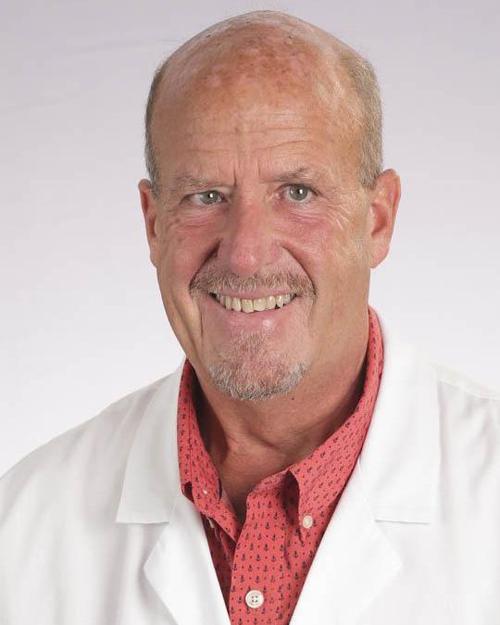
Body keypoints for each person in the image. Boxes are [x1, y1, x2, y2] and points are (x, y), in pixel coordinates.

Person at [1, 10, 499, 625]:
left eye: (298, 192)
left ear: (377, 220)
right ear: (154, 225)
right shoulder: (23, 527)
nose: (245, 253)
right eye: (206, 196)